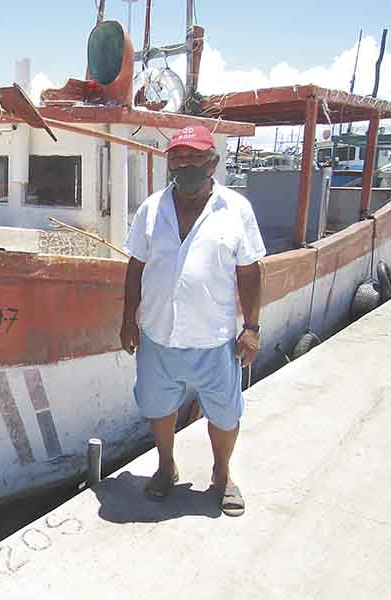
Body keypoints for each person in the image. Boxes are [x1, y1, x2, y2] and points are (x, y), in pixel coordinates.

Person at [120, 125, 265, 517]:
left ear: (213, 162)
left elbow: (250, 271)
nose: (184, 165)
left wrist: (251, 327)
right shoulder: (151, 209)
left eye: (194, 158)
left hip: (214, 338)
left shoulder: (236, 209)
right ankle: (166, 466)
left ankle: (222, 475)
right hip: (158, 335)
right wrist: (128, 320)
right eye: (177, 158)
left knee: (225, 412)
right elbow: (135, 267)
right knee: (159, 406)